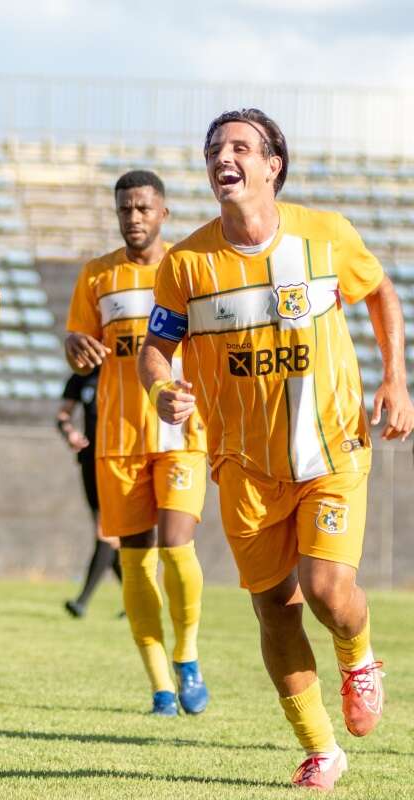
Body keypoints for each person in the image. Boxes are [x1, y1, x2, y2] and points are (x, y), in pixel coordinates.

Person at [139, 108, 414, 790]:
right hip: (243, 466)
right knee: (274, 608)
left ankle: (358, 657)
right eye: (212, 150)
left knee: (325, 587)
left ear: (273, 165)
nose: (223, 157)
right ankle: (321, 749)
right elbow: (155, 349)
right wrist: (161, 390)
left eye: (240, 147)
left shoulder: (325, 237)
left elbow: (378, 289)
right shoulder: (188, 264)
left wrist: (396, 380)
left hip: (331, 450)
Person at [65, 170, 209, 717]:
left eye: (144, 208)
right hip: (118, 436)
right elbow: (79, 343)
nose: (134, 217)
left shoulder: (187, 270)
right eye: (125, 208)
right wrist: (75, 343)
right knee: (137, 562)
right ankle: (161, 688)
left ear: (163, 213)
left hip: (178, 432)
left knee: (177, 547)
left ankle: (187, 654)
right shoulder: (97, 276)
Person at [57, 366, 122, 617]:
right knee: (108, 534)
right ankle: (136, 598)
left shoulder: (123, 369)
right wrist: (69, 432)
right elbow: (63, 415)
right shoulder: (82, 375)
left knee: (105, 530)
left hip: (118, 460)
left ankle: (82, 601)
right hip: (90, 461)